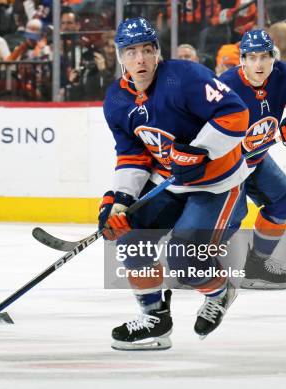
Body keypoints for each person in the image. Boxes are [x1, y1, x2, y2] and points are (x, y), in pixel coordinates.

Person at [101, 17, 250, 350]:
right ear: (120, 56)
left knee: (185, 258)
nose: (140, 59)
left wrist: (199, 151)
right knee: (131, 238)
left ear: (157, 52)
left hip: (218, 185)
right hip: (169, 183)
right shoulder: (116, 99)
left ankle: (220, 290)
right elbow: (132, 155)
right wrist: (119, 202)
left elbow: (236, 114)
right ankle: (155, 319)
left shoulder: (185, 77)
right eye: (131, 52)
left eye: (146, 50)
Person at [219, 30, 286, 289]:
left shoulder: (283, 75)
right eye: (252, 57)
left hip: (256, 158)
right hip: (225, 165)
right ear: (242, 59)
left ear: (273, 57)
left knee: (283, 201)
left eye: (264, 57)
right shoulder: (225, 85)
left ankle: (256, 267)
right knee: (230, 219)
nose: (259, 64)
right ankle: (189, 263)